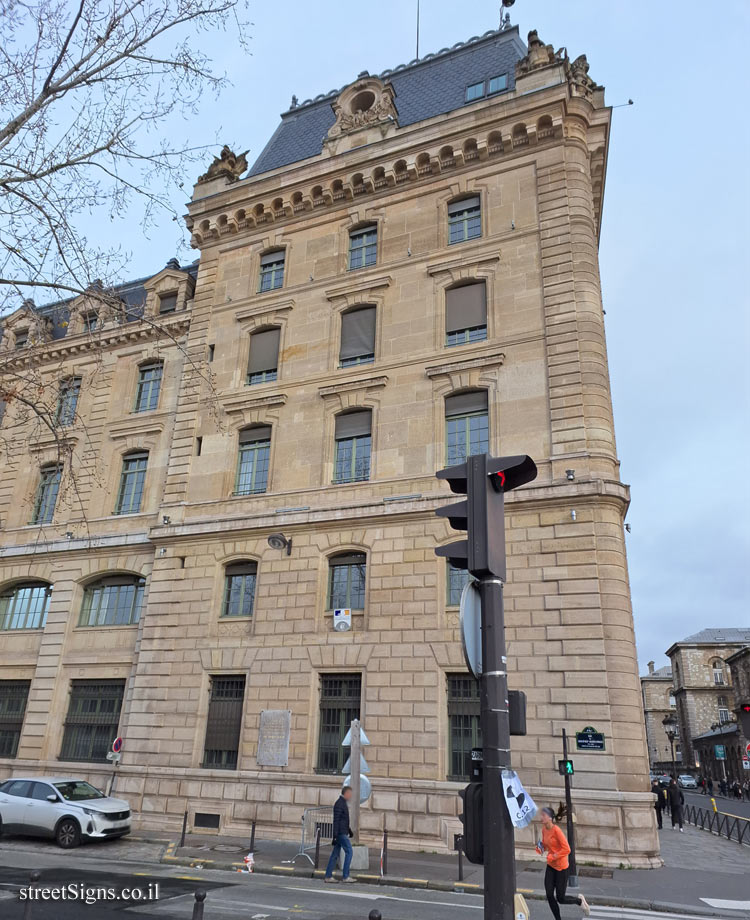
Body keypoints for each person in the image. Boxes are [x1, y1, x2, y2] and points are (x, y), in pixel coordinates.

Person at [537, 806, 590, 918]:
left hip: (561, 868)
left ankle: (579, 901)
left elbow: (567, 849)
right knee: (549, 895)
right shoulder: (544, 829)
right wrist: (541, 848)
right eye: (541, 814)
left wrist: (554, 856)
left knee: (561, 898)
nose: (541, 817)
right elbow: (546, 845)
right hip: (551, 867)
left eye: (543, 815)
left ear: (550, 818)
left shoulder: (557, 831)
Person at [324, 785, 355, 884]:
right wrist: (335, 836)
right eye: (350, 794)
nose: (351, 796)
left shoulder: (342, 803)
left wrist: (349, 831)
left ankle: (328, 876)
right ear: (346, 793)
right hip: (340, 833)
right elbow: (336, 821)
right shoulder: (339, 804)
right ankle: (345, 876)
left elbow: (343, 820)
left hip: (341, 832)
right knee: (349, 851)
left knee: (335, 854)